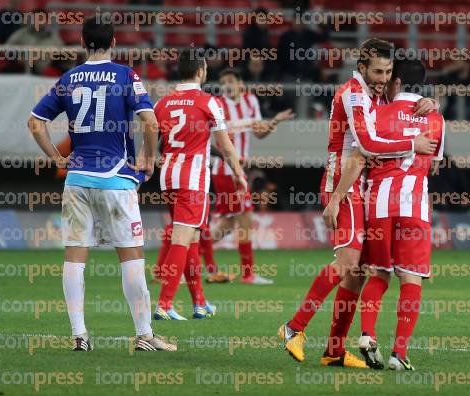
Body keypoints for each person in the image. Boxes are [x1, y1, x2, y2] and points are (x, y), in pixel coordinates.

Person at [278, 38, 439, 367]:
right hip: (345, 183)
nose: (382, 78)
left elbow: (395, 114)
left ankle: (334, 351)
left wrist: (429, 102)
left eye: (388, 71)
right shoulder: (353, 94)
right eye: (377, 71)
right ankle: (293, 328)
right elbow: (364, 144)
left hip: (366, 189)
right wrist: (335, 198)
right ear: (362, 68)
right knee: (348, 265)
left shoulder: (377, 96)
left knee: (357, 275)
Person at [28, 17, 175, 351]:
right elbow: (150, 123)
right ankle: (145, 335)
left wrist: (57, 158)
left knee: (74, 258)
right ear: (113, 42)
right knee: (131, 257)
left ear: (82, 41)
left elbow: (35, 124)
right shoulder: (126, 75)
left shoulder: (69, 77)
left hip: (77, 180)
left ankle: (79, 336)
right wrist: (149, 160)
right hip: (115, 178)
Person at [324, 59, 445, 370]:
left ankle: (367, 333)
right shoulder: (436, 119)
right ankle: (398, 354)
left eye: (390, 76)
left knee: (378, 272)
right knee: (411, 277)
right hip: (414, 202)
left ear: (398, 81)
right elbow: (434, 164)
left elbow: (364, 149)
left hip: (377, 202)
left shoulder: (377, 111)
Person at [153, 51, 248, 320]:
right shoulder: (209, 101)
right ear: (200, 72)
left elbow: (153, 138)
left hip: (168, 176)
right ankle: (165, 304)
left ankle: (199, 303)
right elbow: (225, 145)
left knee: (192, 237)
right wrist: (239, 172)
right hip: (192, 179)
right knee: (182, 239)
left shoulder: (163, 102)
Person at [201, 68, 294, 285]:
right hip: (225, 170)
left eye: (231, 80)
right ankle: (248, 274)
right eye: (224, 82)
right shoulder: (217, 104)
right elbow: (213, 139)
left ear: (240, 83)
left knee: (229, 223)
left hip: (237, 172)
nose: (227, 85)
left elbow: (259, 132)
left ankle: (191, 255)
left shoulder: (250, 101)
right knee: (244, 219)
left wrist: (275, 121)